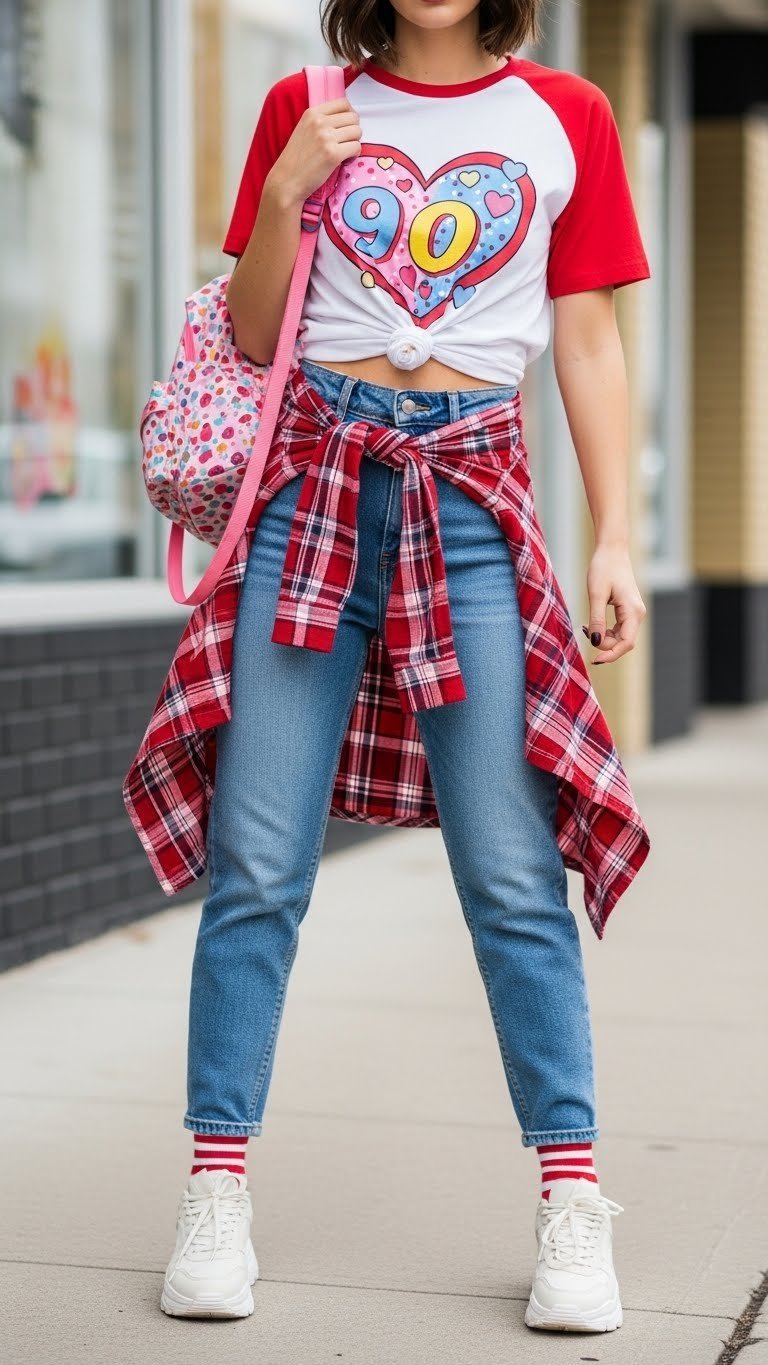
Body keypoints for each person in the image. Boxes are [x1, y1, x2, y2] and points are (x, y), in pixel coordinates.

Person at [153, 0, 652, 1331]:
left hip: (475, 502)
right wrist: (282, 193)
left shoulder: (569, 118)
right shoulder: (307, 103)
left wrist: (617, 534)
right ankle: (215, 1188)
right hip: (313, 489)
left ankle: (571, 1199)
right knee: (259, 861)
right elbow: (255, 336)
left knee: (508, 866)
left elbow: (590, 338)